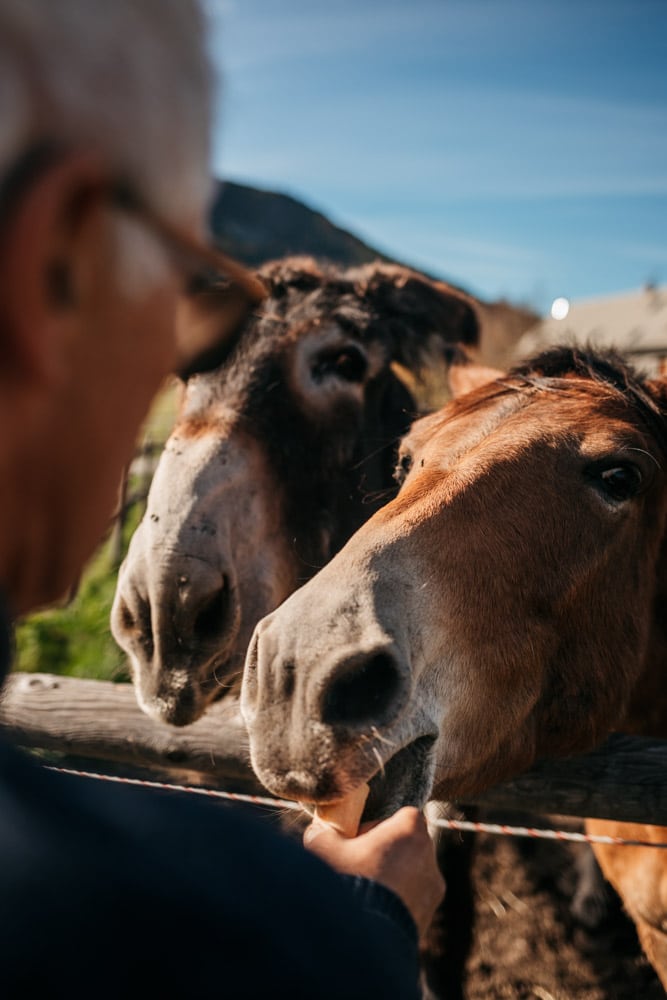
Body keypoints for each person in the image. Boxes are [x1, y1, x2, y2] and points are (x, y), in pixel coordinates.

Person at [0, 2, 444, 996]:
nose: (175, 365)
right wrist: (357, 933)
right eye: (186, 322)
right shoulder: (213, 933)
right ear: (53, 266)